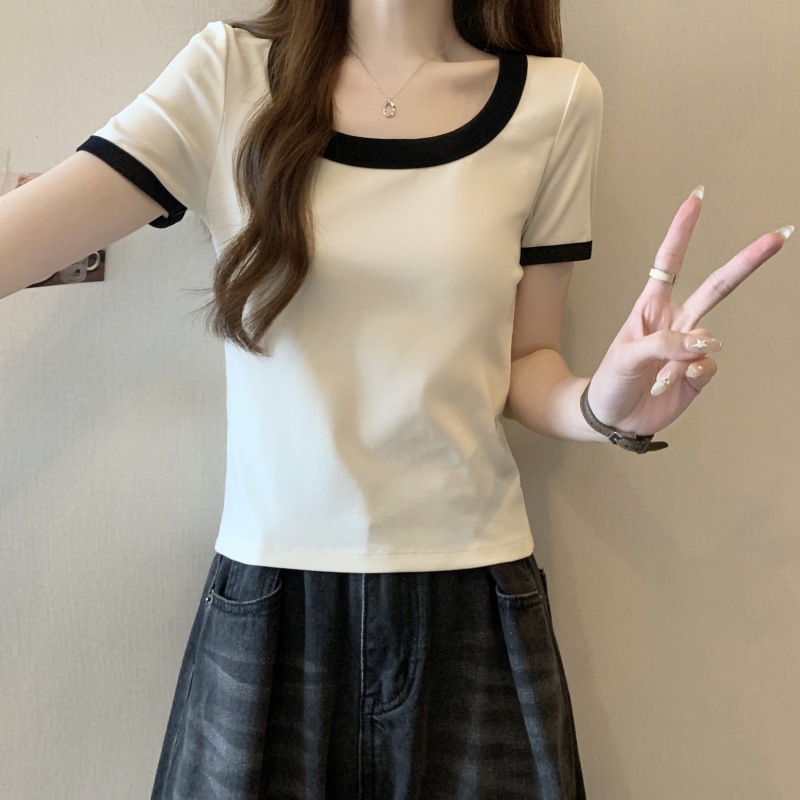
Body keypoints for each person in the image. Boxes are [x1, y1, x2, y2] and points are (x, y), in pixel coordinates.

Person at [0, 0, 792, 798]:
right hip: (272, 601)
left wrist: (600, 409)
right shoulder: (228, 77)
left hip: (474, 598)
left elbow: (524, 361)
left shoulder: (555, 102)